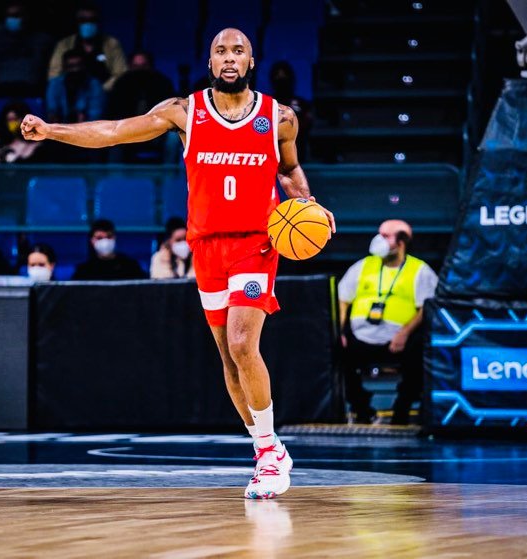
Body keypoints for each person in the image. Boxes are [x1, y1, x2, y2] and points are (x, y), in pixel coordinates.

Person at [22, 28, 336, 499]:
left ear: (251, 62)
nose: (229, 58)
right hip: (206, 247)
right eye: (220, 51)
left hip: (256, 243)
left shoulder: (279, 118)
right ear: (210, 63)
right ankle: (265, 449)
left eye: (238, 51)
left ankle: (271, 452)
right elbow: (114, 132)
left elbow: (288, 170)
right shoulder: (184, 111)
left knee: (242, 343)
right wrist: (52, 130)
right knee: (228, 359)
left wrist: (307, 202)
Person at [337, 220, 438, 425]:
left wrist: (405, 333)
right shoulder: (363, 266)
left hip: (399, 340)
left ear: (401, 242)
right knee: (334, 352)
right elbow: (342, 299)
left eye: (385, 236)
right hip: (361, 338)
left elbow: (426, 307)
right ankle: (362, 409)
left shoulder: (420, 270)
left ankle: (401, 412)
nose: (378, 239)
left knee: (421, 351)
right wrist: (339, 331)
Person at [46, 1, 127, 91]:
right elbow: (54, 75)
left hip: (105, 93)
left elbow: (121, 74)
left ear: (98, 22)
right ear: (77, 22)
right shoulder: (64, 44)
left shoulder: (112, 44)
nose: (88, 24)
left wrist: (100, 90)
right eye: (83, 20)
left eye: (92, 20)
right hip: (71, 94)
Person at [0, 0, 53, 97]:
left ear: (26, 16)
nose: (12, 19)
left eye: (16, 15)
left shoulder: (41, 38)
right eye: (9, 15)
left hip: (32, 88)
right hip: (2, 87)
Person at [71, 218, 147, 280]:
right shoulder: (84, 271)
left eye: (109, 237)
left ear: (114, 238)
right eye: (99, 238)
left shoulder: (130, 267)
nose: (105, 241)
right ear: (92, 241)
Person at [46, 48, 104, 124]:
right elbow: (51, 113)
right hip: (59, 127)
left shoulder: (94, 85)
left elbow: (95, 117)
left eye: (78, 65)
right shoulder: (55, 84)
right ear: (64, 67)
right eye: (71, 66)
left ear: (84, 66)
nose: (75, 70)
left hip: (87, 128)